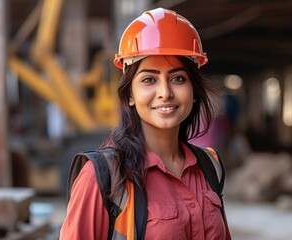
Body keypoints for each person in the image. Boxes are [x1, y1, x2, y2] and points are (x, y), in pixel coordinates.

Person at [60, 8, 232, 240]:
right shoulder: (103, 178)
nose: (165, 93)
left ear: (193, 91)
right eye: (149, 79)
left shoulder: (210, 166)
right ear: (130, 95)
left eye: (178, 78)